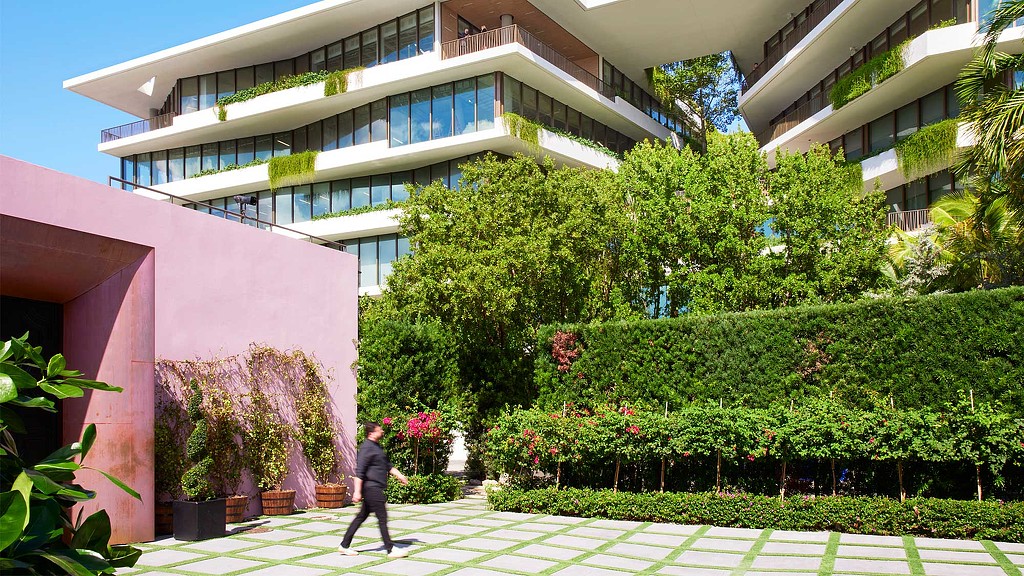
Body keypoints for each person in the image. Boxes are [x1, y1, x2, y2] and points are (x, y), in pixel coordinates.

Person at [338, 422, 410, 559]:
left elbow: (388, 466)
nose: (382, 431)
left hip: (374, 488)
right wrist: (357, 492)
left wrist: (400, 476)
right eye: (379, 430)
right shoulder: (366, 448)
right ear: (371, 433)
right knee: (382, 518)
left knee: (361, 517)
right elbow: (360, 472)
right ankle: (390, 549)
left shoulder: (376, 447)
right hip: (372, 488)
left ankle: (344, 545)